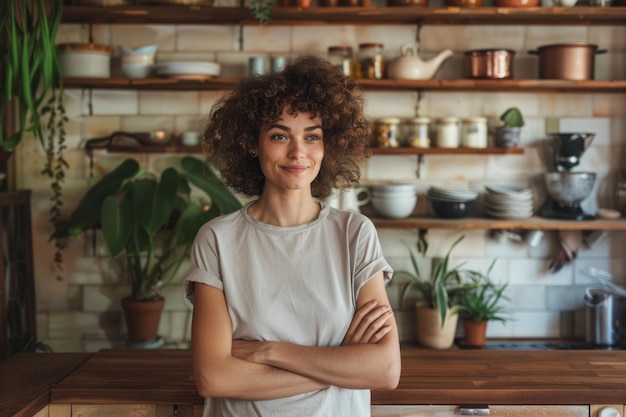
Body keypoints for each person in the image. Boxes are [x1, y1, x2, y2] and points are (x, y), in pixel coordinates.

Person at [184, 54, 401, 417]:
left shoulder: (354, 234)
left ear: (327, 145)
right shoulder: (217, 240)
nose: (298, 152)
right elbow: (213, 377)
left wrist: (268, 351)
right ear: (252, 144)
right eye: (280, 135)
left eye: (312, 136)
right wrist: (339, 364)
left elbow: (385, 369)